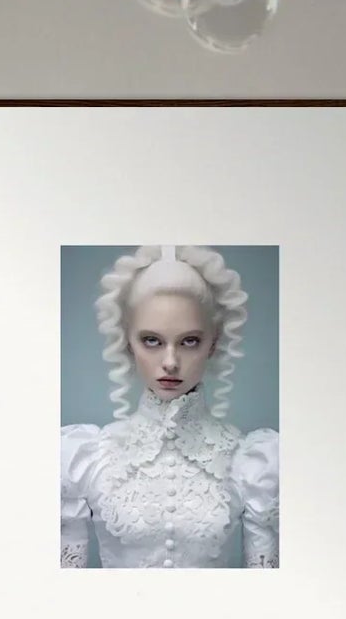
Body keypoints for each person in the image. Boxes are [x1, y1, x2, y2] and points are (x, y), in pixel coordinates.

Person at [60, 244, 279, 570]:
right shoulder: (86, 457)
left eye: (189, 341)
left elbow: (268, 595)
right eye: (152, 340)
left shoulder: (252, 462)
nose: (170, 362)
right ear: (128, 343)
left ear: (213, 344)